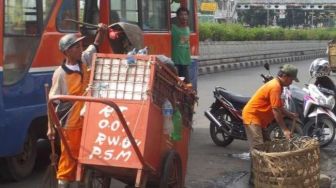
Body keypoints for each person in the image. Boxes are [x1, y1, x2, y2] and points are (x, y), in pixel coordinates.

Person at [47, 23, 107, 188]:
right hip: (71, 124)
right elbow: (52, 102)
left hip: (89, 120)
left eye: (81, 45)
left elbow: (94, 47)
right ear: (67, 52)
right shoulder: (60, 74)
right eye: (77, 47)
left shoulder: (84, 61)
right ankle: (63, 184)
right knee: (69, 158)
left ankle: (82, 182)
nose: (81, 48)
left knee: (86, 156)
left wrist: (100, 32)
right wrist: (50, 127)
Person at [242, 64, 299, 185]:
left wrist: (290, 114)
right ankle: (254, 180)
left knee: (267, 146)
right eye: (292, 79)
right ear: (285, 76)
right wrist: (285, 130)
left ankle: (265, 174)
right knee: (258, 150)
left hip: (260, 120)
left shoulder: (278, 85)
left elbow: (278, 106)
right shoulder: (275, 86)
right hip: (253, 117)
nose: (291, 82)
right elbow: (276, 111)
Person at [171, 7, 191, 83]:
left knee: (186, 83)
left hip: (185, 61)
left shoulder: (188, 29)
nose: (184, 17)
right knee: (177, 82)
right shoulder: (173, 28)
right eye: (181, 15)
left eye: (185, 14)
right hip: (176, 61)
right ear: (178, 17)